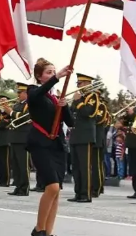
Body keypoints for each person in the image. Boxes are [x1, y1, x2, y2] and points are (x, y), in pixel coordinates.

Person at [26, 58, 74, 236]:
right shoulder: (33, 91)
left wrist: (65, 106)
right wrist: (58, 76)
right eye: (49, 72)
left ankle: (49, 232)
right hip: (40, 144)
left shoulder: (55, 97)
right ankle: (39, 229)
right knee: (52, 187)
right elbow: (35, 96)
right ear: (39, 77)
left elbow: (70, 122)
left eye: (54, 71)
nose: (53, 74)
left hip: (57, 145)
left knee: (56, 191)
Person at [67, 74, 97, 203]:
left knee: (84, 167)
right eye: (78, 83)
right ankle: (78, 192)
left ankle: (86, 194)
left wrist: (78, 101)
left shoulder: (93, 97)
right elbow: (71, 113)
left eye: (80, 83)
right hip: (75, 135)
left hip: (85, 136)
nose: (78, 86)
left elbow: (89, 113)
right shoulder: (78, 97)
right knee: (76, 167)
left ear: (87, 83)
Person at [8, 84, 31, 196]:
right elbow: (12, 117)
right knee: (16, 164)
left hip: (24, 137)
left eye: (19, 92)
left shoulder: (29, 104)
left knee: (23, 164)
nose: (17, 95)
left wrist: (11, 112)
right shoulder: (17, 104)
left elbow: (26, 117)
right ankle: (18, 186)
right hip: (15, 137)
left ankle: (24, 188)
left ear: (26, 93)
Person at [0, 94, 12, 187]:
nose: (2, 102)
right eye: (0, 101)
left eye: (4, 101)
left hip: (5, 139)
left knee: (5, 162)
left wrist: (0, 122)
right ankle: (0, 179)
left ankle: (6, 180)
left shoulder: (9, 113)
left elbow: (3, 124)